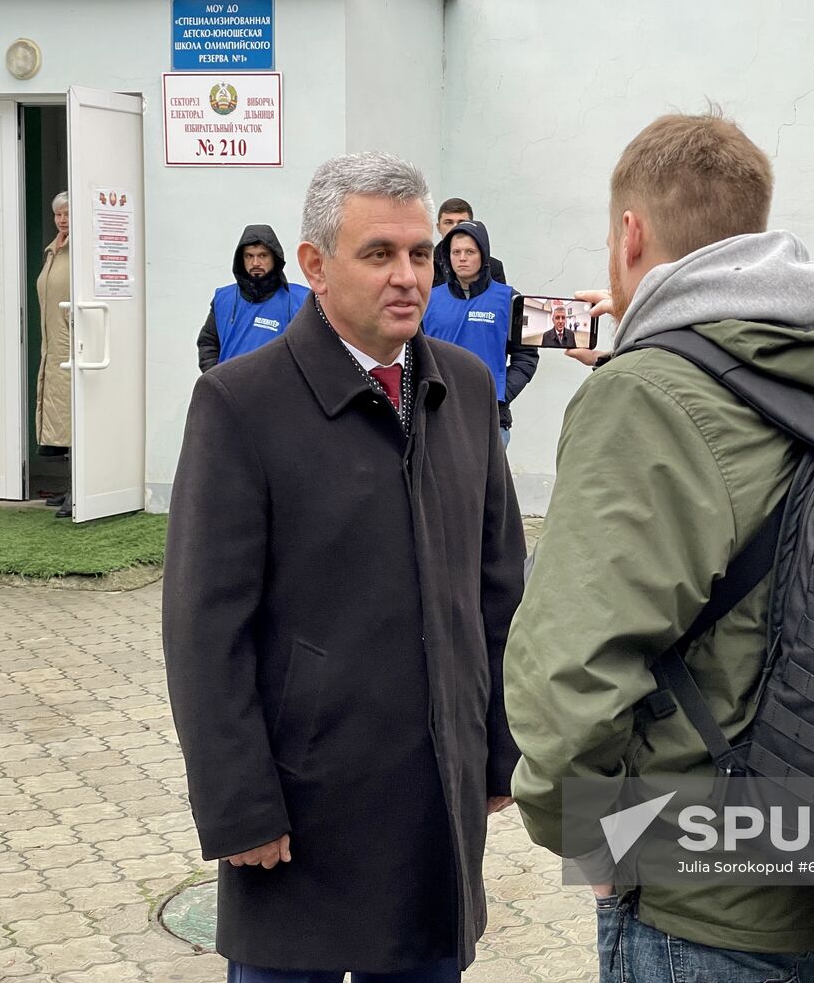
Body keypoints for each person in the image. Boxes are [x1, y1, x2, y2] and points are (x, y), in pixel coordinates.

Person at [504, 111, 814, 982]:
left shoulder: (647, 402)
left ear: (629, 235)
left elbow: (568, 678)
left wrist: (591, 842)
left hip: (707, 916)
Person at [163, 151, 526, 983]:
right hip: (299, 811)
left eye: (418, 254)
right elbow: (202, 627)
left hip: (433, 797)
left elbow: (500, 588)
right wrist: (238, 805)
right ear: (315, 266)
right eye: (378, 254)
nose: (407, 277)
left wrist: (498, 748)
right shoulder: (239, 402)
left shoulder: (465, 389)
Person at [423, 219, 538, 445]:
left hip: (490, 420)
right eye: (456, 252)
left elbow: (527, 357)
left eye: (470, 251)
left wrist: (502, 395)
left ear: (484, 255)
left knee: (485, 482)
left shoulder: (512, 299)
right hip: (439, 416)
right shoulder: (428, 299)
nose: (462, 258)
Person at [196, 225, 309, 372]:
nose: (255, 263)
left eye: (263, 255)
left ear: (275, 257)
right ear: (241, 259)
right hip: (230, 390)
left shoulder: (300, 299)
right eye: (249, 256)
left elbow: (314, 348)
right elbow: (208, 342)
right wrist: (216, 378)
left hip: (279, 392)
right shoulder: (223, 299)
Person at [34, 191, 72, 516]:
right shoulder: (53, 251)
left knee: (74, 414)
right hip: (52, 345)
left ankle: (81, 491)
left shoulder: (79, 252)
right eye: (58, 214)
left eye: (67, 214)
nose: (62, 220)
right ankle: (71, 485)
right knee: (60, 415)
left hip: (71, 344)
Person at [433, 197, 507, 286]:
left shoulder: (493, 267)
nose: (455, 228)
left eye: (461, 222)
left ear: (471, 226)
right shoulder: (427, 264)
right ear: (438, 227)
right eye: (449, 222)